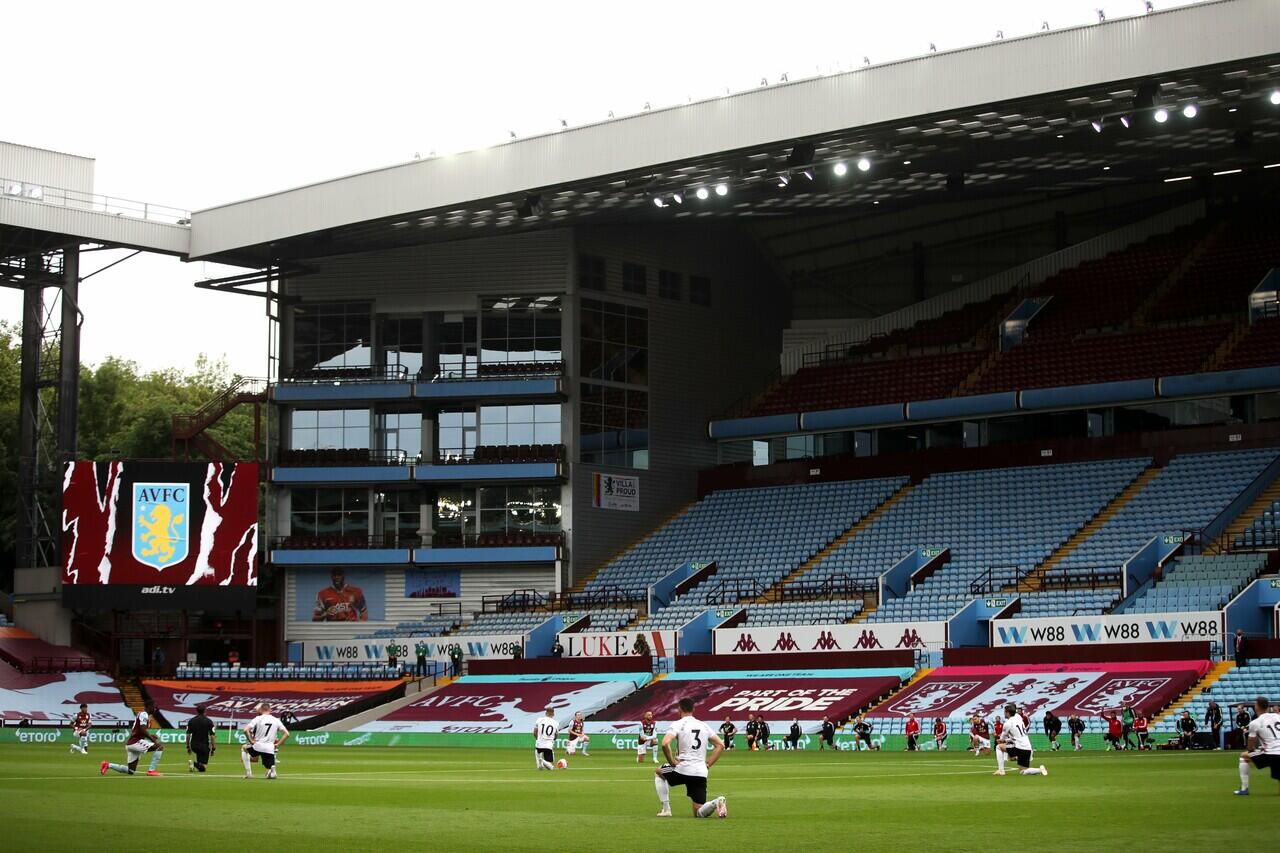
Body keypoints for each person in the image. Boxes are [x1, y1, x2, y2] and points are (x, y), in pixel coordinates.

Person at [654, 697, 728, 819]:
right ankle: (716, 802)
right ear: (693, 709)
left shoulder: (678, 724)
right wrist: (708, 764)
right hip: (700, 772)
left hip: (682, 769)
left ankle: (666, 809)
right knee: (699, 812)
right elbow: (720, 745)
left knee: (658, 772)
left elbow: (665, 743)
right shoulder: (703, 725)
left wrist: (672, 762)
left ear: (679, 709)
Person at [1234, 695, 1280, 796]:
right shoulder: (1277, 716)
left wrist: (1251, 751)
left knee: (1244, 756)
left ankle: (1244, 789)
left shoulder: (1255, 722)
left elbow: (1251, 740)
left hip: (1270, 754)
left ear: (1257, 706)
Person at [100, 711, 164, 777]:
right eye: (154, 706)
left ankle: (108, 765)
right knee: (159, 747)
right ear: (150, 707)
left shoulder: (144, 717)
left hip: (131, 744)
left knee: (130, 771)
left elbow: (140, 731)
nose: (155, 709)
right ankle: (151, 770)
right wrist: (153, 740)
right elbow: (142, 730)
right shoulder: (144, 714)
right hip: (135, 742)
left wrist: (150, 736)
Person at [994, 703, 1047, 777]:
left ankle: (1001, 771)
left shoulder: (1007, 723)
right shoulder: (1018, 717)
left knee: (998, 747)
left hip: (1019, 747)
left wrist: (1001, 740)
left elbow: (1002, 738)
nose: (1004, 714)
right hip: (1027, 747)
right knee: (1023, 771)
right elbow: (1016, 735)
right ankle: (1039, 770)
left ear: (1007, 713)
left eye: (1004, 712)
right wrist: (1007, 740)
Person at [241, 702, 289, 780]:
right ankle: (272, 771)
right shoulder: (276, 720)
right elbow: (287, 734)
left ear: (261, 709)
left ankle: (248, 773)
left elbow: (245, 730)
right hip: (270, 748)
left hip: (258, 746)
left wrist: (251, 740)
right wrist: (277, 744)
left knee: (244, 748)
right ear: (270, 709)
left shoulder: (258, 718)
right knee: (268, 773)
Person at [186, 704, 216, 773]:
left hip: (194, 745)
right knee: (203, 768)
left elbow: (188, 735)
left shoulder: (191, 721)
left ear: (197, 711)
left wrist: (188, 746)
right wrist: (213, 748)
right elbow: (212, 736)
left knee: (200, 767)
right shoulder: (209, 721)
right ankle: (193, 763)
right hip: (204, 746)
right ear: (205, 711)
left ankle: (195, 765)